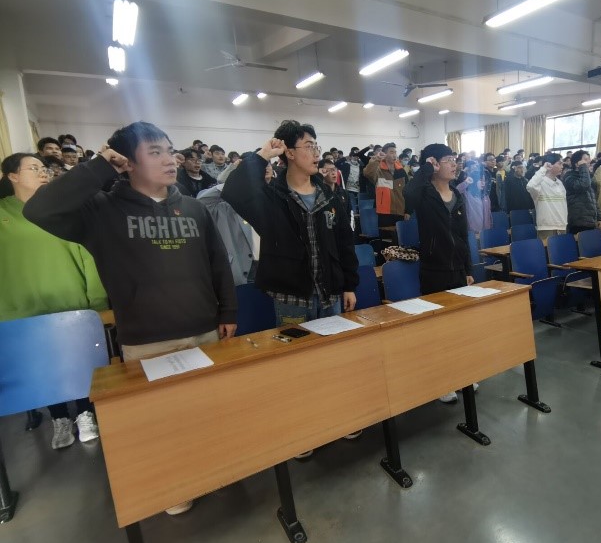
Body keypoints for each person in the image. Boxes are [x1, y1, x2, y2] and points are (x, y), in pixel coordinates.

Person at [24, 122, 237, 513]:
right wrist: (99, 166)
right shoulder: (102, 210)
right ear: (127, 162)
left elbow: (218, 262)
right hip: (147, 339)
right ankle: (175, 487)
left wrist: (227, 309)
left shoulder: (192, 207)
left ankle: (212, 471)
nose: (170, 159)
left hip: (204, 329)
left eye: (169, 150)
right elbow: (38, 209)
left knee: (207, 412)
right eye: (155, 152)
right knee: (162, 421)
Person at [222, 120, 360, 453]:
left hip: (329, 294)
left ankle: (337, 416)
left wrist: (349, 284)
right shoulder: (272, 198)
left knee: (332, 360)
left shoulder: (330, 196)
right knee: (296, 365)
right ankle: (303, 429)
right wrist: (261, 156)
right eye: (309, 146)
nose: (316, 153)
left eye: (316, 145)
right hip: (291, 298)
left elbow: (345, 243)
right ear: (289, 153)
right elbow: (234, 191)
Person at [0, 153, 108, 449]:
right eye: (33, 168)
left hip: (71, 305)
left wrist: (97, 301)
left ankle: (86, 413)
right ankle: (59, 417)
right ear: (12, 176)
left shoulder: (64, 210)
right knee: (43, 370)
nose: (43, 173)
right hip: (21, 311)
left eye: (44, 168)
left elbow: (89, 255)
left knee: (81, 365)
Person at [404, 143, 476, 404]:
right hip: (434, 269)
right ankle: (441, 381)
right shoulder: (424, 193)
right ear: (434, 164)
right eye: (447, 160)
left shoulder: (456, 194)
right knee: (437, 330)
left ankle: (462, 374)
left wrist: (468, 269)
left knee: (459, 327)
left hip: (457, 269)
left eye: (455, 159)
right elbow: (408, 196)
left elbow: (463, 235)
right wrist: (425, 169)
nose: (454, 164)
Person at [526, 153, 568, 241]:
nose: (562, 166)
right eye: (559, 163)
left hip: (562, 225)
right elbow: (530, 186)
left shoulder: (559, 183)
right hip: (547, 227)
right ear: (549, 164)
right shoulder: (540, 182)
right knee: (547, 249)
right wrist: (543, 169)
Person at [563, 150, 601, 235]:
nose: (589, 161)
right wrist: (583, 167)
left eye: (589, 159)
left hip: (591, 220)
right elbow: (584, 186)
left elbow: (593, 199)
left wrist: (599, 217)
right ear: (577, 164)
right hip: (578, 221)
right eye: (585, 159)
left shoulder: (588, 177)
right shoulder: (569, 177)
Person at [456, 169, 492, 235]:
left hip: (485, 232)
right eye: (481, 180)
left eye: (484, 181)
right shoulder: (467, 194)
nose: (483, 183)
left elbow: (488, 215)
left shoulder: (486, 196)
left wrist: (489, 229)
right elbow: (456, 191)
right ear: (474, 180)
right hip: (472, 232)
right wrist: (466, 182)